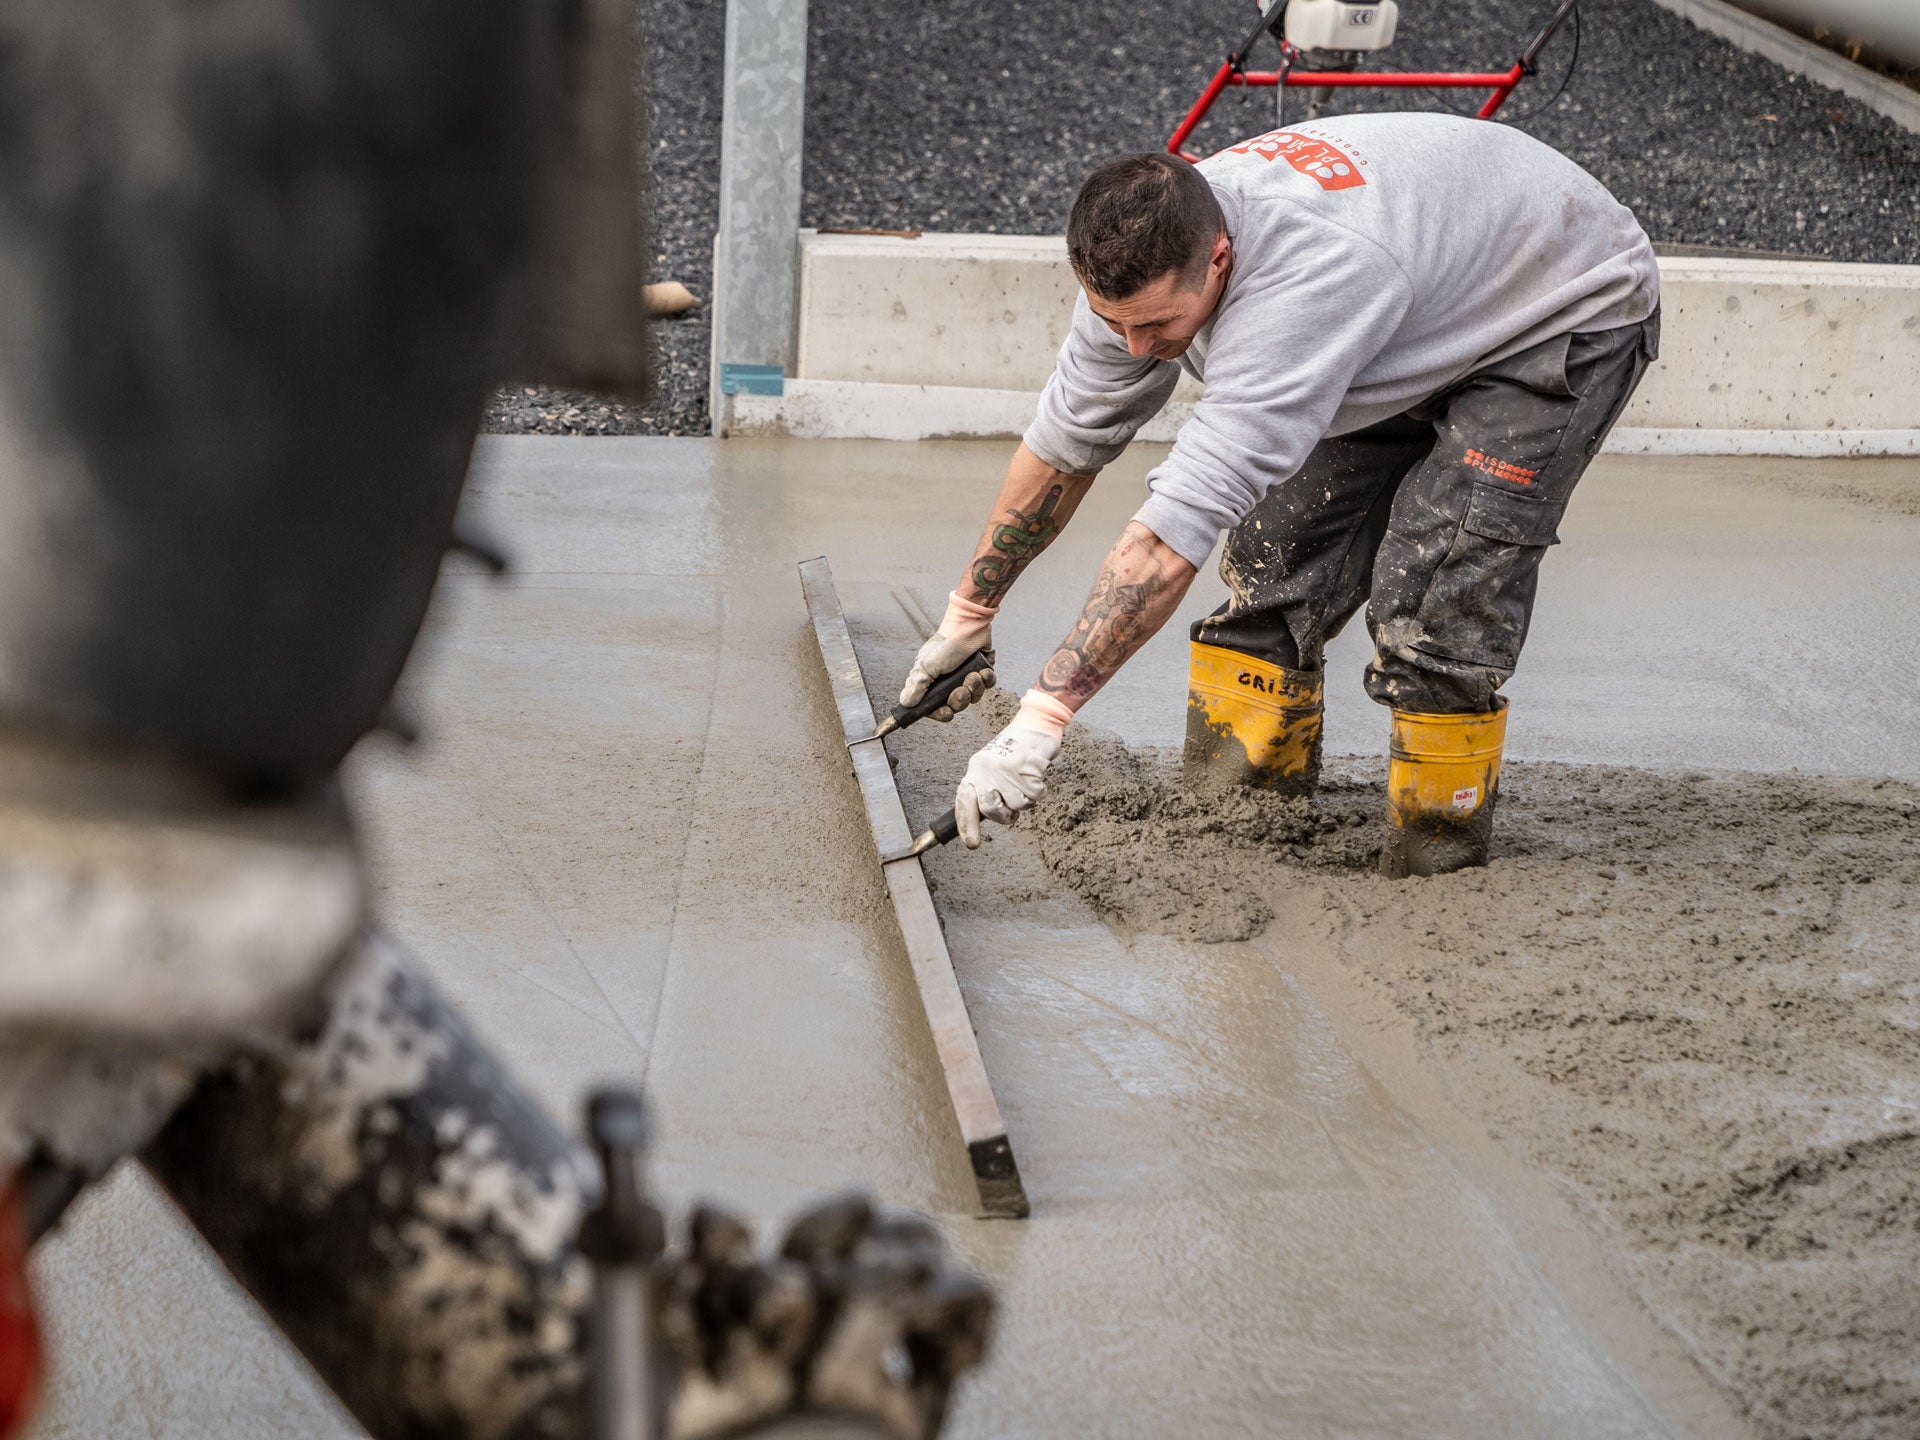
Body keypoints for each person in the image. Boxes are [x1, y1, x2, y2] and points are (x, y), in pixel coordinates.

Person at [897, 112, 1660, 877]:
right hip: (1414, 298)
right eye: (1114, 324)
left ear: (1220, 260)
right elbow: (1063, 450)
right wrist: (970, 615)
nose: (1136, 349)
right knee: (1277, 560)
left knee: (1434, 593)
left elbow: (1169, 537)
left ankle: (1437, 864)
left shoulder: (1301, 293)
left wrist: (1041, 720)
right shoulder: (1134, 272)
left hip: (1561, 307)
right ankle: (1236, 826)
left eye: (1159, 325)